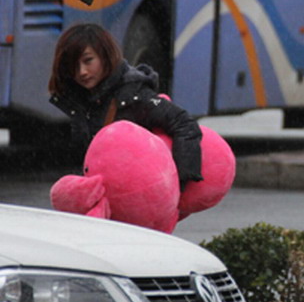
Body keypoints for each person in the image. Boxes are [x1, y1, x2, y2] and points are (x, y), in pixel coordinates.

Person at [48, 23, 203, 188]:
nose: (82, 72)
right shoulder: (79, 100)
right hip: (105, 199)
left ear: (105, 56)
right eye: (73, 65)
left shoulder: (133, 94)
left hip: (137, 201)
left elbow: (184, 124)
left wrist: (177, 184)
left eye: (88, 61)